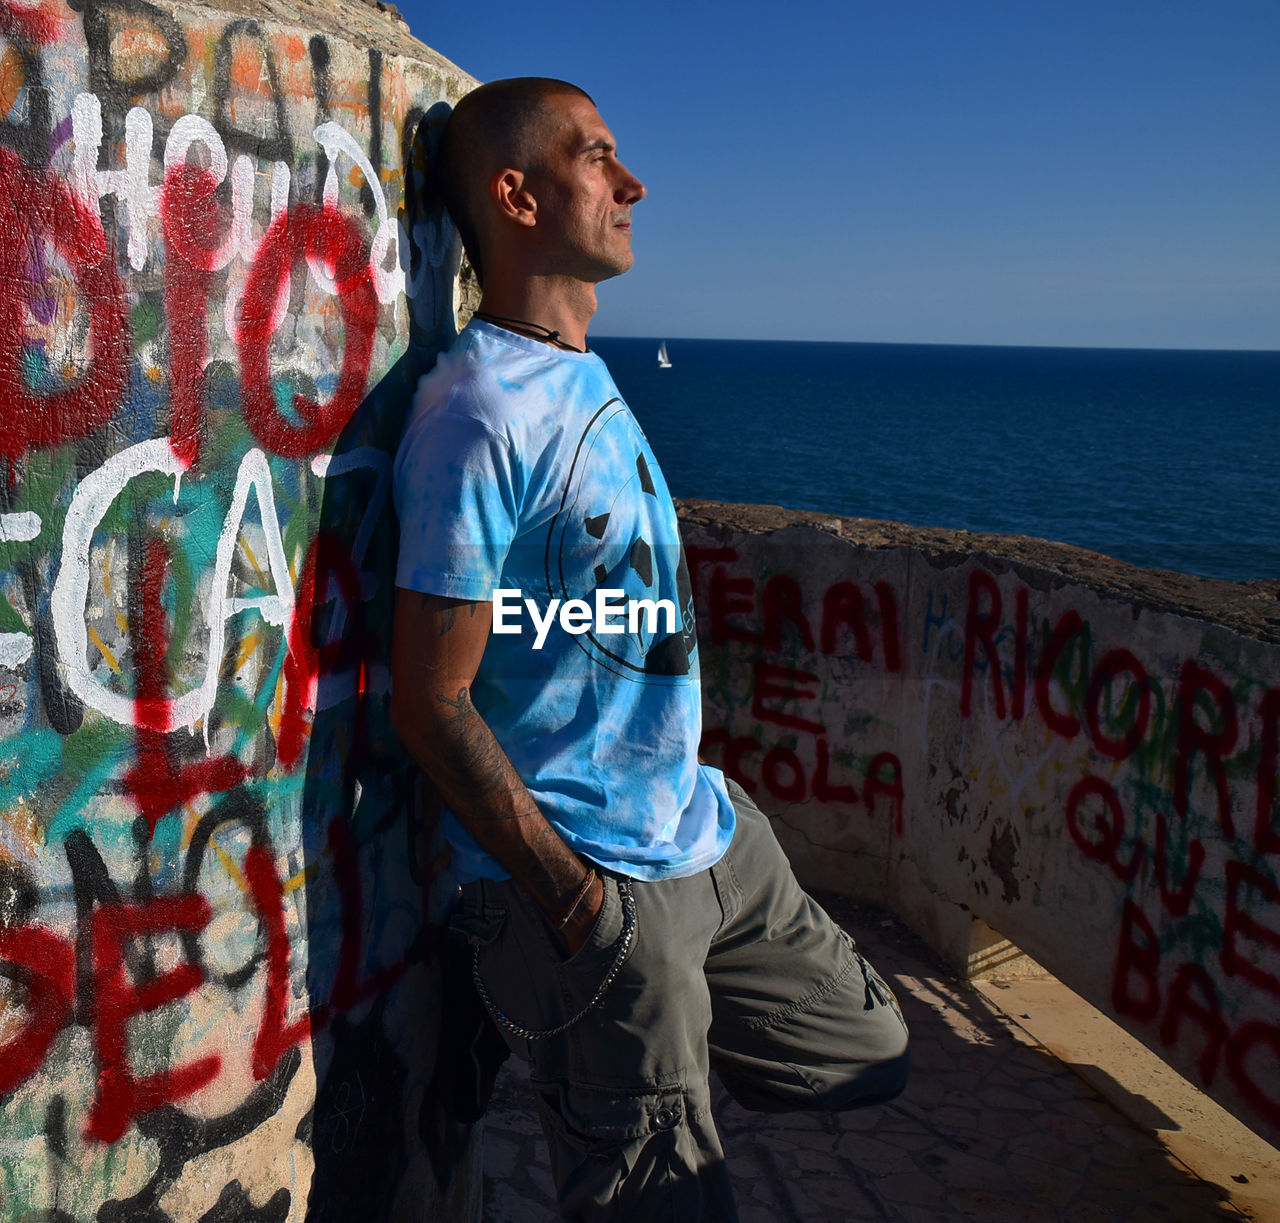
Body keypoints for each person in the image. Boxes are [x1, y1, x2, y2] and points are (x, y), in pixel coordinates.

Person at [390, 77, 909, 1222]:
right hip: (595, 877)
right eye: (599, 157)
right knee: (670, 1206)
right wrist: (576, 909)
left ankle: (611, 1055)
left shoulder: (575, 371)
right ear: (516, 194)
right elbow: (431, 700)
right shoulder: (479, 414)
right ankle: (595, 1052)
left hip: (703, 835)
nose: (632, 185)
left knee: (867, 1046)